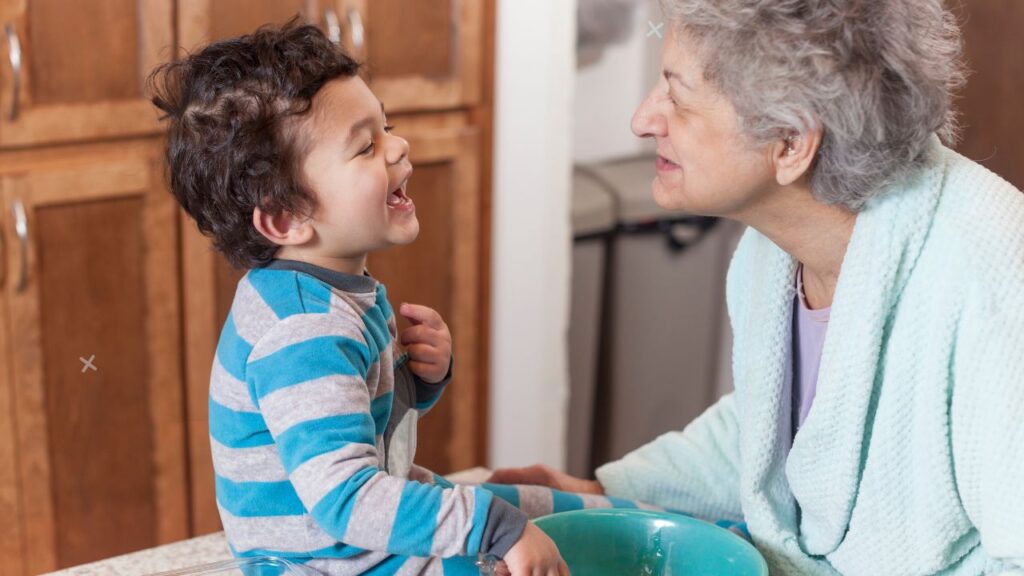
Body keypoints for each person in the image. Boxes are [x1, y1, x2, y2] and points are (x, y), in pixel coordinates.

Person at [491, 1, 1024, 574]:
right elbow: (772, 435)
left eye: (677, 96)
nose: (643, 119)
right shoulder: (768, 256)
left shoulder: (991, 275)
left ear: (791, 142)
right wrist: (597, 487)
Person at [149, 21, 590, 576]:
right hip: (322, 561)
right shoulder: (305, 328)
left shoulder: (324, 291)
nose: (398, 145)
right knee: (509, 540)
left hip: (352, 540)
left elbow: (356, 423)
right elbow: (348, 499)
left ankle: (698, 527)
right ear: (287, 218)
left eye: (388, 126)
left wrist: (412, 383)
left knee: (534, 508)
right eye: (366, 145)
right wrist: (495, 528)